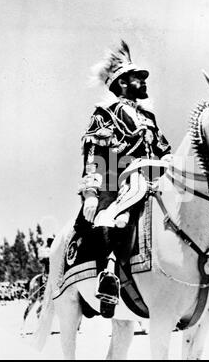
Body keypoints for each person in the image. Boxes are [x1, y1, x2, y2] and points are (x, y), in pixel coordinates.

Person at [73, 40, 171, 317]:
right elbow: (94, 154)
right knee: (113, 217)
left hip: (155, 177)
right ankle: (108, 276)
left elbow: (164, 150)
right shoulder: (105, 113)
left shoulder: (148, 116)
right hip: (117, 179)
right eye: (138, 78)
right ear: (123, 83)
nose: (143, 81)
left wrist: (169, 164)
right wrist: (91, 193)